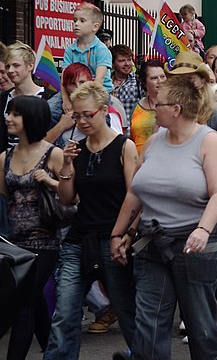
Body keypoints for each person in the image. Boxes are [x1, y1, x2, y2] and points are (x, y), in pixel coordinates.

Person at [111, 74, 217, 359]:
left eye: (159, 104)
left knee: (203, 330)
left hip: (195, 248)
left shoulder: (208, 141)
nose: (153, 107)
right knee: (148, 328)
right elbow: (136, 193)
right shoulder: (154, 142)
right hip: (153, 245)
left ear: (176, 109)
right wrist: (119, 233)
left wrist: (203, 230)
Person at [43, 82, 138, 359]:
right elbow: (67, 199)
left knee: (126, 310)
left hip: (114, 239)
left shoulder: (124, 146)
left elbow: (135, 196)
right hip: (79, 240)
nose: (82, 121)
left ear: (104, 111)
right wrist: (67, 167)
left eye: (88, 114)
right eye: (77, 116)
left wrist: (126, 234)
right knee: (65, 313)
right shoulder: (75, 149)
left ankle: (141, 354)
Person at [2, 96, 63, 360]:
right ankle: (56, 352)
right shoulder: (5, 156)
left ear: (31, 119)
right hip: (15, 244)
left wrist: (50, 182)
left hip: (44, 242)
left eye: (16, 114)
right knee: (34, 302)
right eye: (9, 113)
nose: (9, 118)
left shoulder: (53, 153)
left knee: (23, 304)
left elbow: (74, 196)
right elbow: (5, 197)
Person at [46, 63, 126, 147]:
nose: (78, 87)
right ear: (65, 87)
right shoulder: (56, 110)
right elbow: (40, 147)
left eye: (82, 82)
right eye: (72, 84)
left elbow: (118, 145)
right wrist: (61, 126)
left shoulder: (108, 107)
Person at [0, 43, 56, 151]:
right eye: (8, 66)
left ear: (30, 65)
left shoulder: (50, 98)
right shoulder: (3, 99)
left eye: (16, 65)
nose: (10, 70)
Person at [63, 2, 114, 101]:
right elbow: (64, 78)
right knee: (52, 108)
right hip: (73, 92)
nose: (76, 24)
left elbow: (99, 79)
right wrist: (65, 100)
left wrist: (87, 101)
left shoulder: (102, 50)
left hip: (98, 94)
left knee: (102, 114)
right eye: (75, 20)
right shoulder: (70, 50)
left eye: (82, 21)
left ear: (95, 27)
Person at [129, 59, 166, 155]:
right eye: (154, 78)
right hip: (138, 164)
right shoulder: (136, 108)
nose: (160, 81)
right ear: (144, 82)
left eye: (162, 77)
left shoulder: (174, 106)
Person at [109, 45, 142, 120]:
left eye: (129, 60)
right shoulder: (106, 82)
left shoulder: (138, 81)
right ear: (113, 64)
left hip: (130, 130)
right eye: (122, 61)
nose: (127, 63)